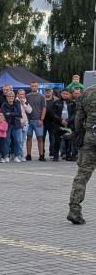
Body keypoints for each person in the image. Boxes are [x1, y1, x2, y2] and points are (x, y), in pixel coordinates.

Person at [68, 83, 96, 224]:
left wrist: (79, 134)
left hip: (91, 136)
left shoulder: (88, 92)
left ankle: (74, 209)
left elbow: (78, 118)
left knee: (82, 175)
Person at [52, 88, 76, 161]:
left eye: (66, 94)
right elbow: (53, 113)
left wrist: (68, 121)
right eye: (63, 94)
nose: (65, 95)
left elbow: (74, 113)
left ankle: (68, 155)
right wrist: (61, 120)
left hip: (68, 124)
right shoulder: (56, 103)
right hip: (58, 124)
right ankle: (55, 156)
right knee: (57, 140)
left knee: (68, 141)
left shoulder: (72, 103)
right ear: (61, 94)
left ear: (68, 94)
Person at [25, 81, 46, 161]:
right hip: (29, 120)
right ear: (30, 87)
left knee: (40, 138)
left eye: (35, 86)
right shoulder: (27, 96)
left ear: (37, 87)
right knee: (29, 137)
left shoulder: (41, 96)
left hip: (38, 120)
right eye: (32, 86)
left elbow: (44, 108)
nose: (34, 87)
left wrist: (41, 119)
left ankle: (41, 155)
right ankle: (28, 154)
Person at [0, 91, 22, 162]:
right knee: (7, 141)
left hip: (16, 125)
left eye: (12, 96)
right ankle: (7, 155)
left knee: (17, 141)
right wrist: (14, 115)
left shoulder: (17, 104)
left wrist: (10, 113)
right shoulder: (4, 104)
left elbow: (19, 113)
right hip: (7, 125)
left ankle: (16, 155)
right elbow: (4, 114)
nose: (11, 98)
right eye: (9, 96)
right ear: (7, 97)